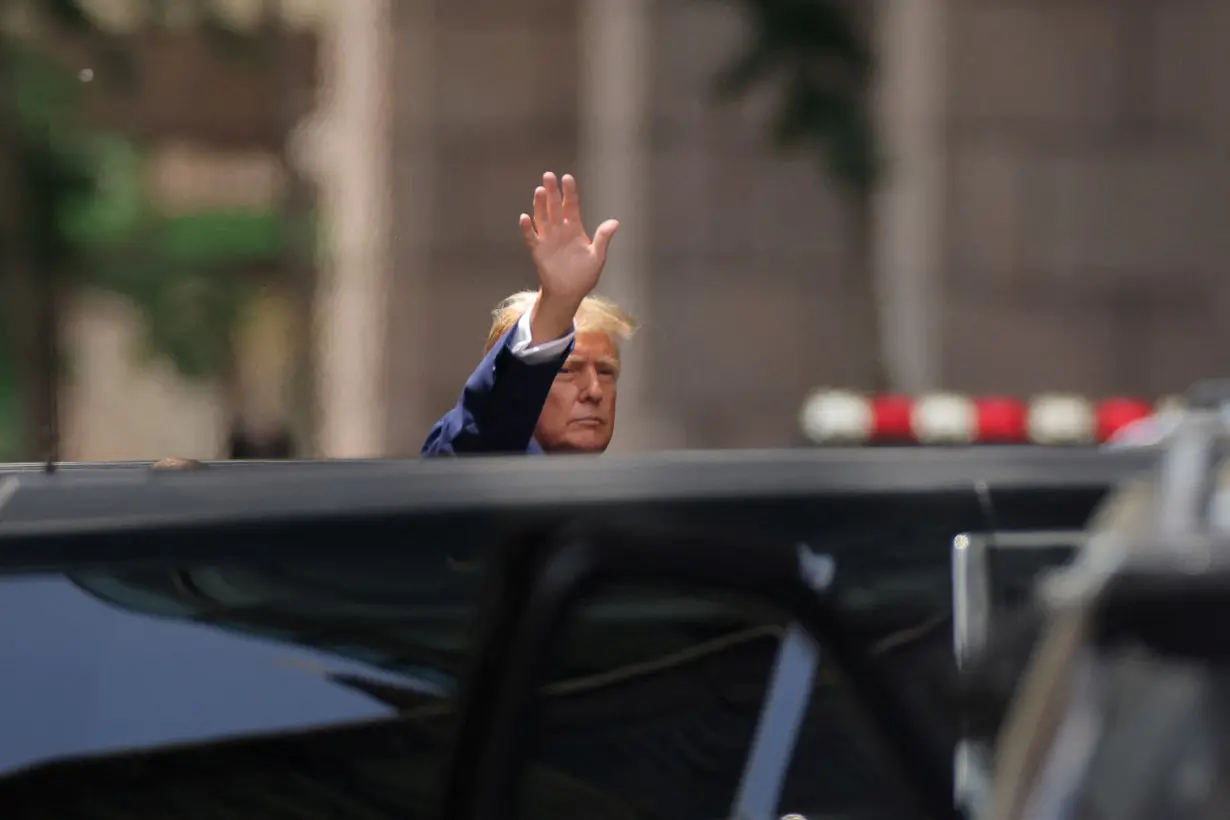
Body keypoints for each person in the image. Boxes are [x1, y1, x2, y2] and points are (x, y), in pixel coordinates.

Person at [422, 172, 636, 456]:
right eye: (567, 369)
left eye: (606, 372)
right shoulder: (476, 462)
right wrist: (557, 304)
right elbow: (481, 429)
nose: (594, 391)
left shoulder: (635, 493)